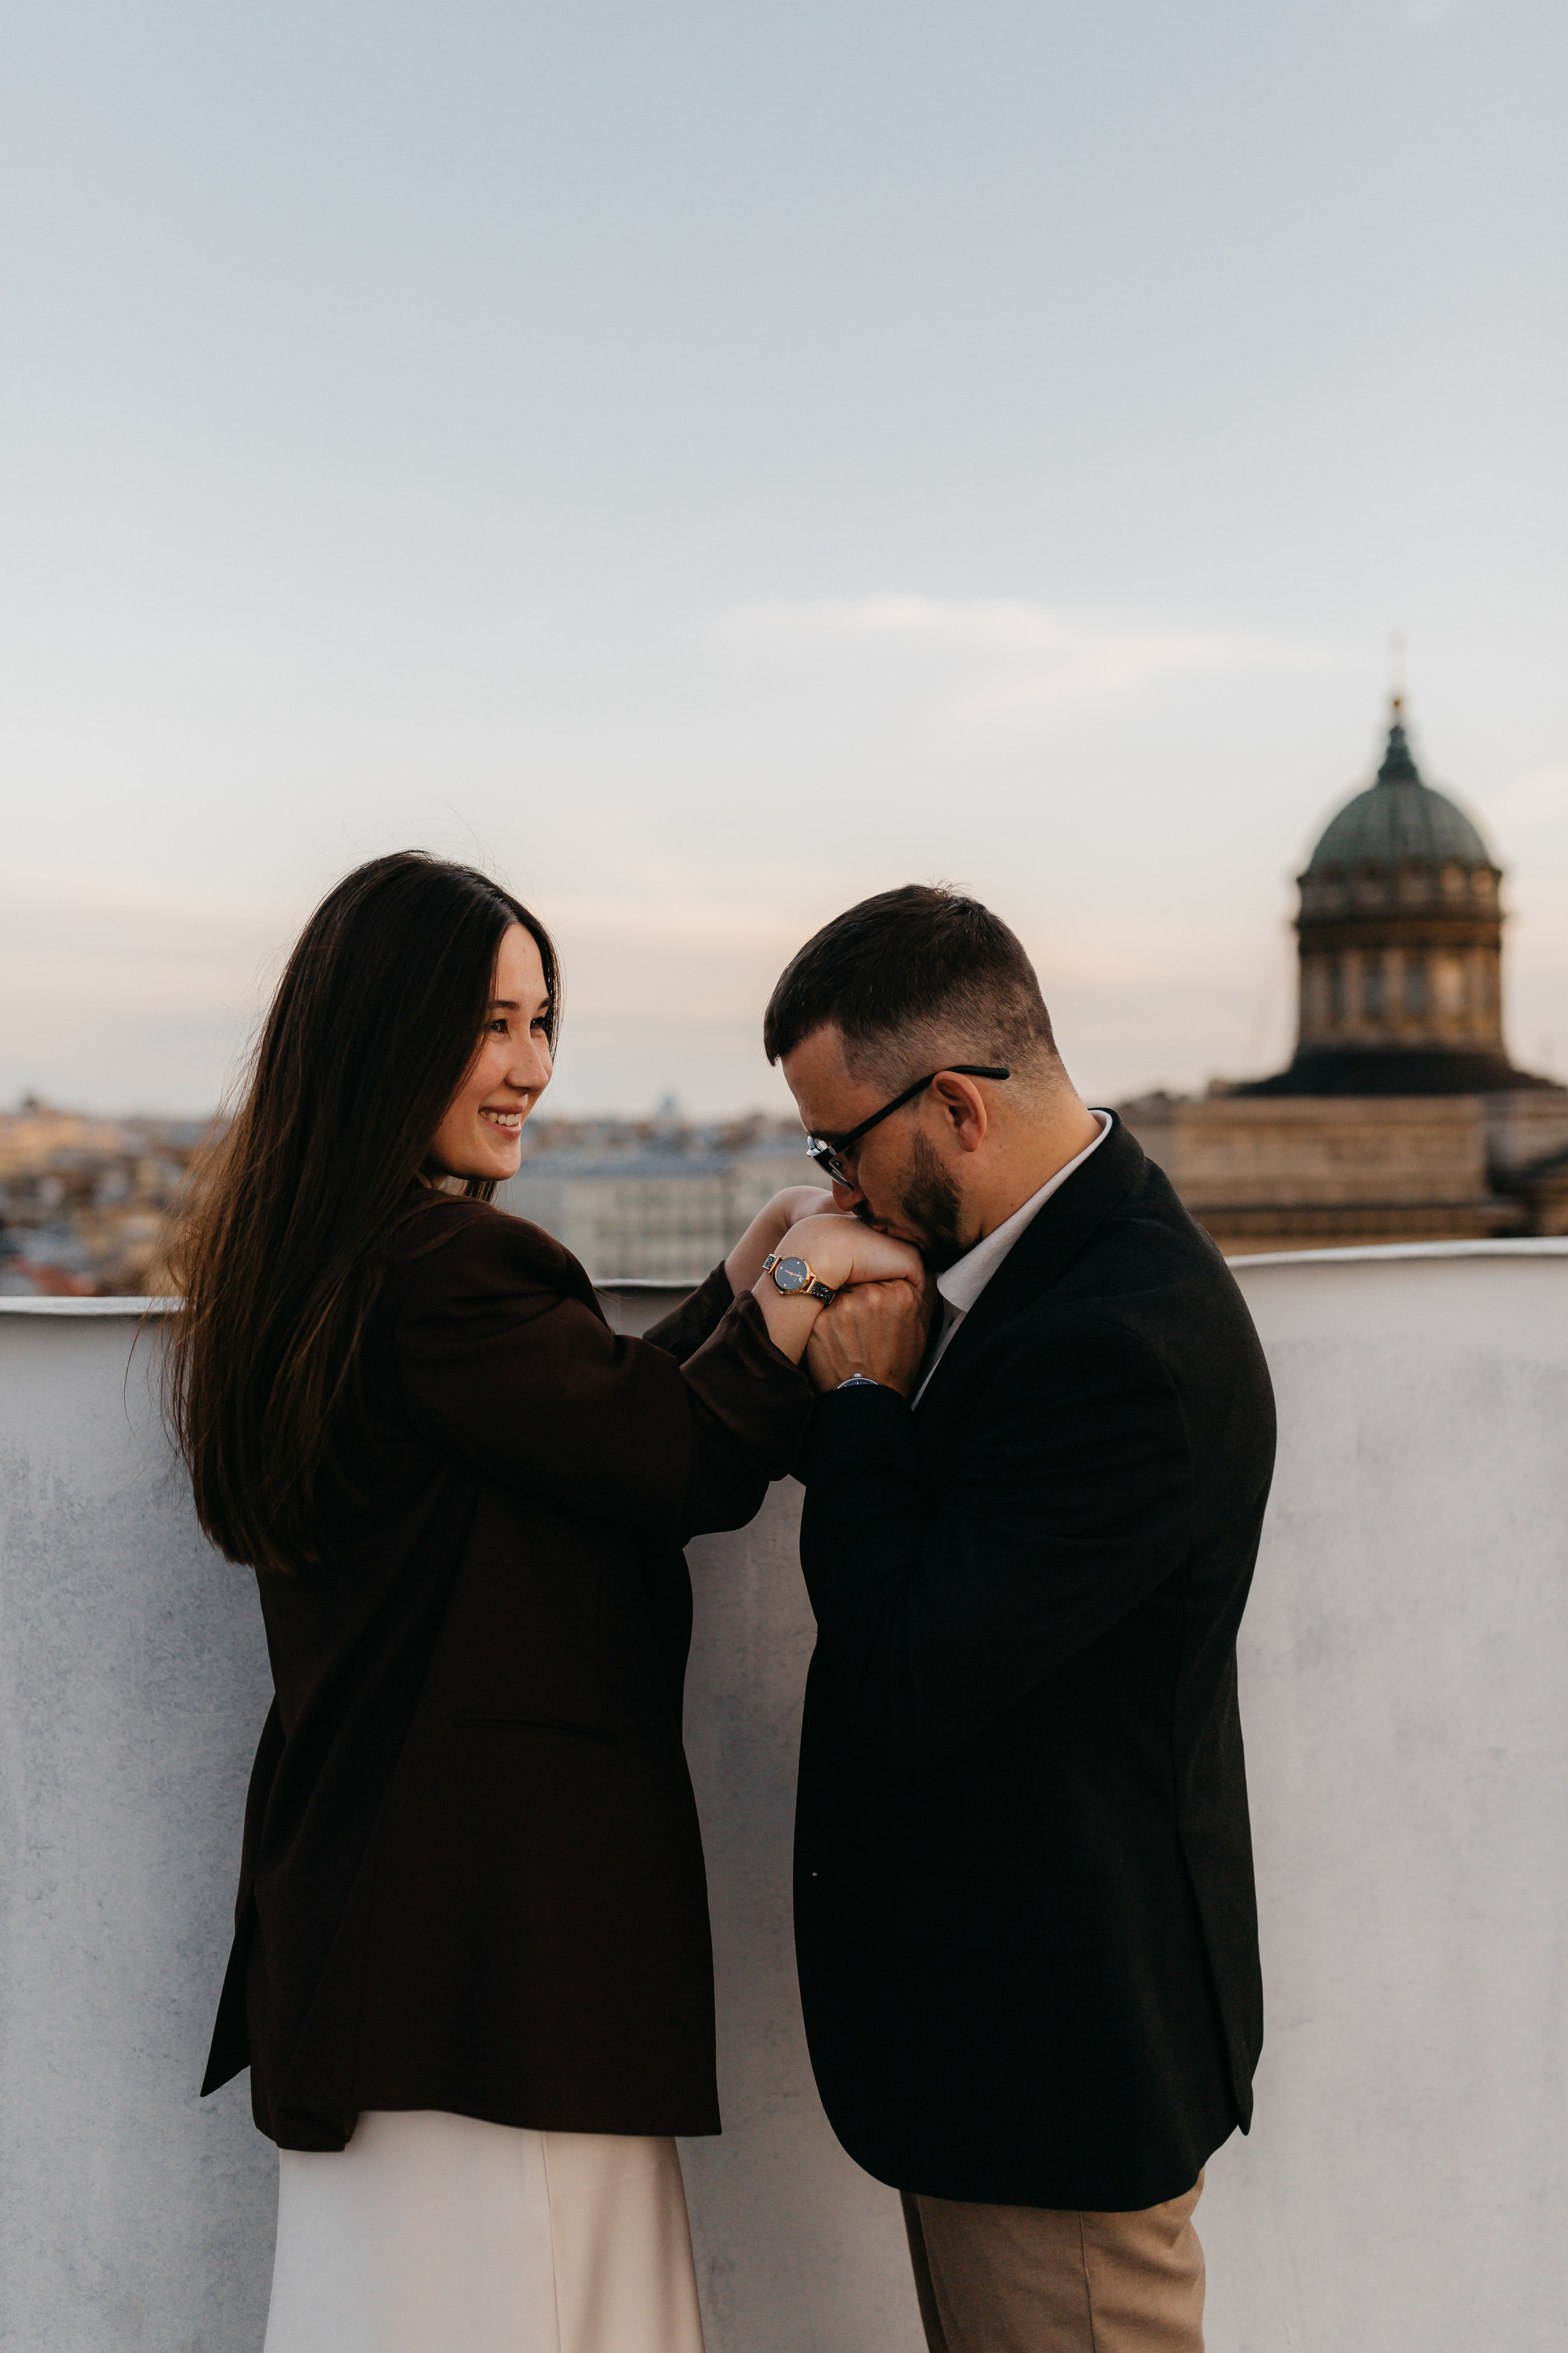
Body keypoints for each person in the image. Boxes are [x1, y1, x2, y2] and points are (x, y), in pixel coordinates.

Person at [165, 850, 922, 2353]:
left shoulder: (334, 1261)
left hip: (412, 1958)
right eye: (490, 1024)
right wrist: (799, 1295)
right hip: (484, 1964)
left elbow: (587, 1420)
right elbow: (664, 1456)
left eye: (541, 1020)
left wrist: (743, 1270)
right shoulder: (442, 1267)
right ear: (387, 1034)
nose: (530, 1068)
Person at [763, 884, 1275, 2353]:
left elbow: (913, 1671)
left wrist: (859, 1399)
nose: (835, 1190)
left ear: (955, 1110)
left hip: (1059, 2077)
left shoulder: (1117, 1341)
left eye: (838, 1145)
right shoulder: (1045, 1270)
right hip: (1004, 2063)